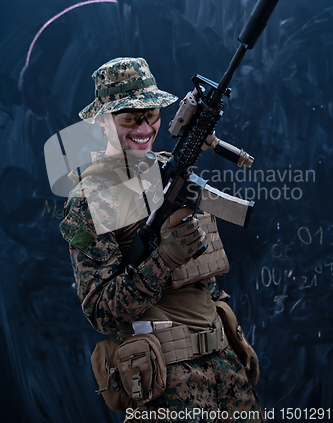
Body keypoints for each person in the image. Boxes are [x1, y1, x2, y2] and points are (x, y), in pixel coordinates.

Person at [60, 57, 265, 422]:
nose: (144, 127)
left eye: (151, 114)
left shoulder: (168, 170)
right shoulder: (91, 200)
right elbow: (102, 313)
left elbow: (202, 274)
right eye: (129, 117)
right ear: (103, 121)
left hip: (224, 368)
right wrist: (162, 260)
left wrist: (232, 335)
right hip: (167, 385)